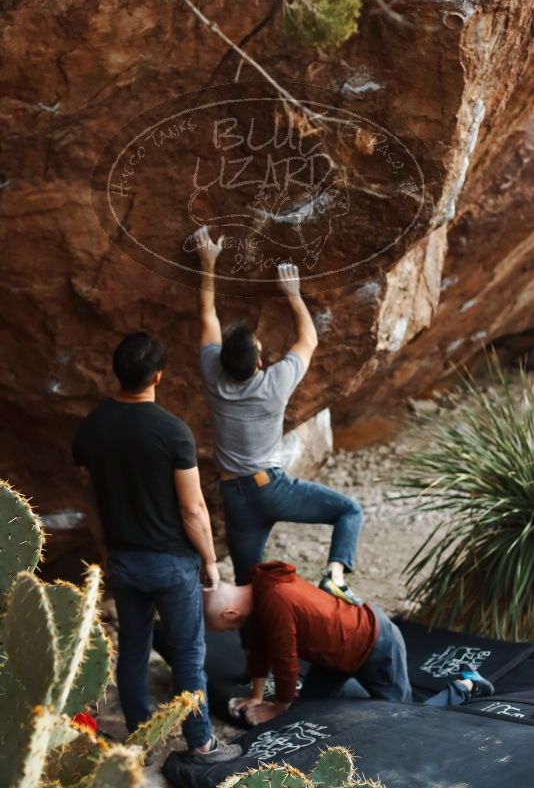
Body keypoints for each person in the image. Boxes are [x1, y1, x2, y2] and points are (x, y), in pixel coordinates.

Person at [72, 331, 241, 764]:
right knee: (187, 654)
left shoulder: (91, 429)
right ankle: (202, 743)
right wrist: (209, 559)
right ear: (159, 376)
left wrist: (105, 546)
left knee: (133, 649)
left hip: (124, 559)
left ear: (117, 374)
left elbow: (88, 497)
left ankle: (138, 743)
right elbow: (193, 508)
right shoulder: (172, 432)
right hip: (171, 563)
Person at [194, 226, 363, 603]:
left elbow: (206, 314)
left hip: (234, 496)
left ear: (222, 361)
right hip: (270, 488)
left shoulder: (212, 374)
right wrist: (294, 295)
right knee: (349, 511)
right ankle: (334, 575)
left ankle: (252, 661)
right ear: (259, 360)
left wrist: (208, 262)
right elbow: (309, 340)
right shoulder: (275, 383)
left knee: (247, 586)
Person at [203, 561, 494, 726]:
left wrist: (277, 707)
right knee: (305, 712)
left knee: (402, 721)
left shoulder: (274, 602)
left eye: (223, 626)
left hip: (376, 644)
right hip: (335, 656)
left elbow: (285, 661)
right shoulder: (258, 590)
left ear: (230, 613)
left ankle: (465, 685)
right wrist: (256, 698)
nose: (227, 631)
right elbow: (260, 648)